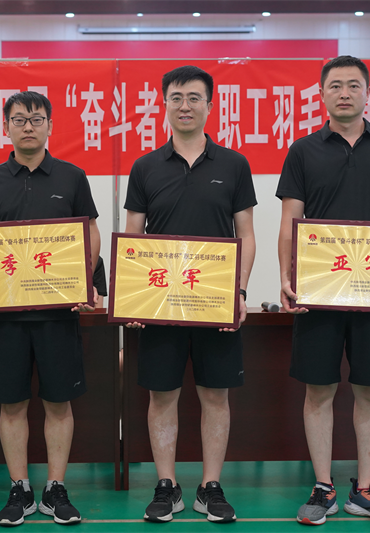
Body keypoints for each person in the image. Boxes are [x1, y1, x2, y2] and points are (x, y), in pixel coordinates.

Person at [276, 55, 370, 526]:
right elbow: (290, 221)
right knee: (319, 389)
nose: (344, 93)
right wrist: (286, 276)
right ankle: (323, 488)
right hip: (319, 290)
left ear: (367, 93)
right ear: (322, 94)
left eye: (353, 85)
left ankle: (364, 490)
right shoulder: (302, 151)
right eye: (335, 86)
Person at [123, 65, 257, 524]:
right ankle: (167, 485)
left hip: (215, 301)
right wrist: (133, 297)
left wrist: (239, 290)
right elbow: (133, 237)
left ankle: (209, 487)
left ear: (209, 105)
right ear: (164, 104)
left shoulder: (234, 164)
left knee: (215, 396)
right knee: (162, 396)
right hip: (160, 303)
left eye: (194, 97)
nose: (185, 105)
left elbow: (246, 234)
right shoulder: (145, 167)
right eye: (176, 97)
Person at [0, 91, 100, 527]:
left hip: (58, 313)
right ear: (6, 127)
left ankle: (55, 488)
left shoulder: (72, 177)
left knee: (59, 403)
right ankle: (19, 489)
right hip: (7, 316)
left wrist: (87, 280)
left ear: (49, 126)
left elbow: (90, 232)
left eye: (36, 119)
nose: (28, 126)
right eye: (19, 119)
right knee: (12, 404)